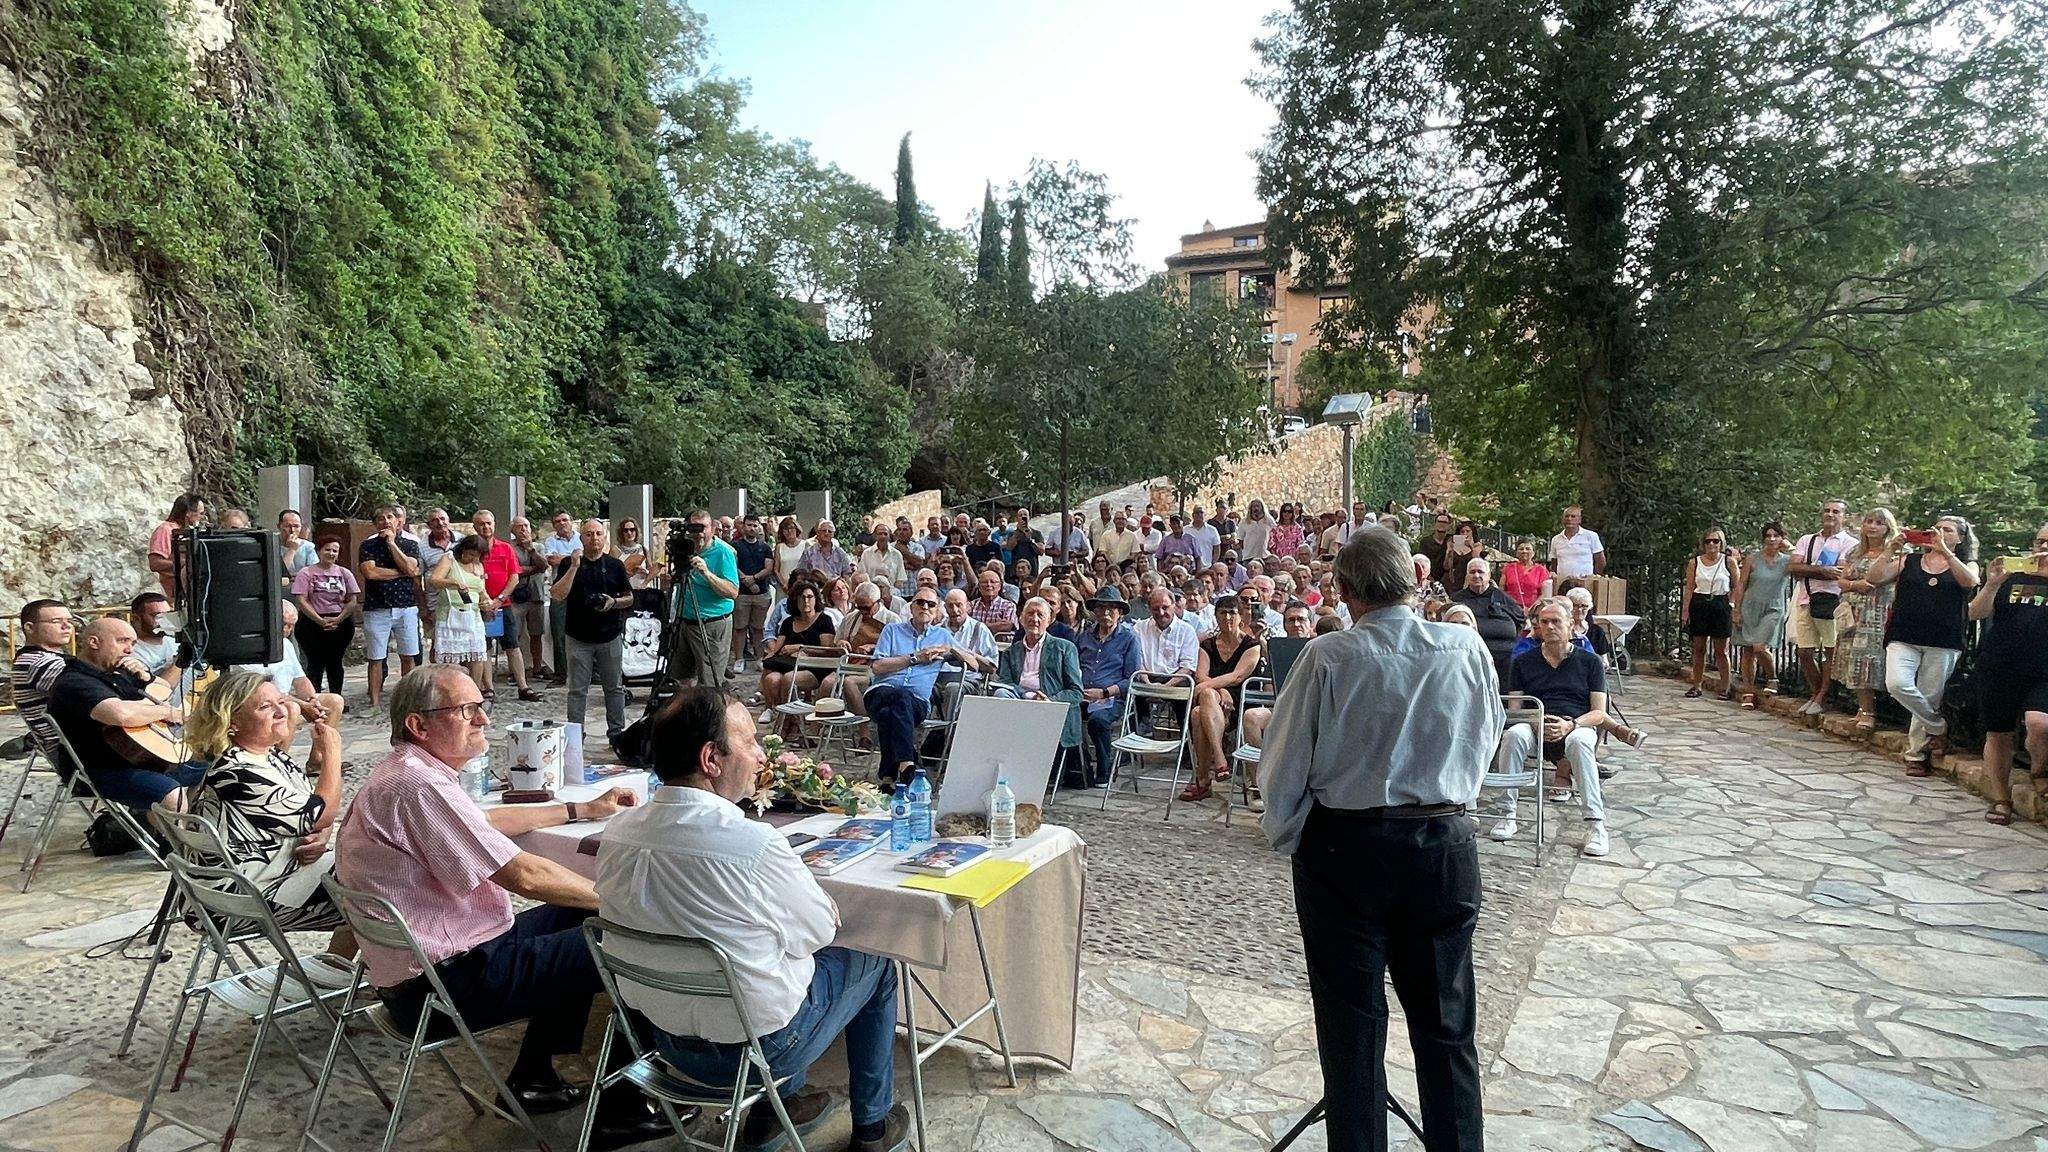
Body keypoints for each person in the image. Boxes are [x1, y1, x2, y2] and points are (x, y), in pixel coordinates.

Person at [333, 666, 661, 1147]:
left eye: (480, 705)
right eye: (465, 710)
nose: (483, 718)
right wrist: (629, 908)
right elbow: (524, 876)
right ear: (418, 726)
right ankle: (623, 1104)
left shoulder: (411, 773)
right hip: (441, 988)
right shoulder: (417, 786)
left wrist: (582, 810)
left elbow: (483, 821)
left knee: (579, 916)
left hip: (428, 972)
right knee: (637, 943)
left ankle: (534, 1077)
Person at [1259, 528, 1498, 1152]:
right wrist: (1450, 798)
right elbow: (1485, 733)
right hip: (1442, 842)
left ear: (1342, 590)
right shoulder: (1463, 647)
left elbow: (1283, 761)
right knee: (1447, 1027)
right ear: (1412, 582)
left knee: (1351, 1028)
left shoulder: (1329, 656)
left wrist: (1286, 831)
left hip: (1348, 849)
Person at [595, 686, 913, 1152]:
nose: (762, 754)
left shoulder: (618, 832)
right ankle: (873, 1126)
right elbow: (823, 931)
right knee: (876, 961)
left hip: (663, 1039)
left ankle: (776, 1110)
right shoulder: (752, 845)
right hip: (759, 1048)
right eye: (749, 742)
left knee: (760, 963)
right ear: (711, 760)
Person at [185, 669, 348, 942]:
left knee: (375, 875)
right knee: (381, 893)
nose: (280, 711)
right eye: (264, 707)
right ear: (231, 721)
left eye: (281, 702)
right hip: (237, 904)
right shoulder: (236, 772)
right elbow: (320, 812)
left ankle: (339, 970)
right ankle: (388, 979)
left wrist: (319, 837)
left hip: (268, 880)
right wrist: (331, 753)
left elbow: (312, 816)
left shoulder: (271, 758)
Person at [46, 617, 199, 813]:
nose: (130, 649)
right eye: (122, 641)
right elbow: (121, 715)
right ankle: (170, 841)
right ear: (94, 642)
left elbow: (165, 690)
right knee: (172, 795)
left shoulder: (119, 673)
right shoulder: (73, 681)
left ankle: (161, 825)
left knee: (214, 766)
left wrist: (146, 676)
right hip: (101, 769)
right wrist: (169, 713)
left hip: (141, 758)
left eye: (133, 643)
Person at [1875, 516, 1978, 774]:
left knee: (1929, 695)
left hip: (1944, 639)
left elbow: (1970, 583)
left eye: (1948, 530)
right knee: (1897, 684)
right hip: (1904, 635)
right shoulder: (1908, 560)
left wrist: (1946, 552)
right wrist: (1890, 549)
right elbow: (1874, 577)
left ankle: (1916, 755)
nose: (1939, 533)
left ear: (1960, 538)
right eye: (1937, 529)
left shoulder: (1967, 563)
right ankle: (1938, 727)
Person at [1968, 524, 2048, 825]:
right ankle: (2001, 799)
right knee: (1998, 733)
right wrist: (1991, 584)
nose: (2042, 548)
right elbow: (1975, 613)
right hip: (2000, 665)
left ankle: (2039, 770)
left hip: (2043, 668)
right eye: (2039, 541)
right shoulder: (2012, 577)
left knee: (2039, 724)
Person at [861, 591, 960, 781]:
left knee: (888, 713)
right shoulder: (892, 630)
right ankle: (907, 760)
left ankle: (888, 776)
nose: (925, 607)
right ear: (911, 607)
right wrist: (914, 658)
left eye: (930, 604)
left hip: (917, 705)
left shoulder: (943, 636)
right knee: (901, 695)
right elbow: (877, 667)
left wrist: (952, 649)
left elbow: (973, 663)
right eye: (920, 602)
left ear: (937, 610)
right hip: (880, 693)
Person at [553, 519, 634, 746]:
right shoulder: (569, 563)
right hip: (578, 636)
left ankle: (617, 733)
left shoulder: (615, 565)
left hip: (609, 634)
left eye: (598, 533)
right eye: (589, 534)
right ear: (581, 538)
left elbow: (630, 597)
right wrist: (574, 567)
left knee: (614, 687)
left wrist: (613, 602)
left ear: (605, 537)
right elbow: (558, 594)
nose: (594, 538)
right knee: (577, 690)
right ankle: (575, 735)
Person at [231, 602, 345, 745]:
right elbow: (266, 691)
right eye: (284, 624)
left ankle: (318, 758)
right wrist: (303, 705)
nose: (287, 630)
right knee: (292, 708)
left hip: (287, 699)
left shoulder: (286, 644)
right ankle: (282, 757)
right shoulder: (251, 646)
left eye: (291, 626)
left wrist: (312, 700)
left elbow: (300, 679)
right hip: (264, 702)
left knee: (334, 702)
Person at [1182, 598, 1262, 802]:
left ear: (1240, 615)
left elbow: (1238, 676)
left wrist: (1219, 689)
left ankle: (1202, 779)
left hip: (1240, 704)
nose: (1227, 618)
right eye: (1223, 613)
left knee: (1199, 711)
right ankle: (1219, 759)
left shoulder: (1251, 645)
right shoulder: (1207, 645)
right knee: (1204, 702)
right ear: (1215, 616)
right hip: (1216, 703)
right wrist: (1220, 691)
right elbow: (1200, 676)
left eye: (1232, 613)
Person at [994, 599, 1085, 768]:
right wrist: (1026, 695)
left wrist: (1049, 700)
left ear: (1049, 620)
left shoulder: (1065, 648)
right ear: (1021, 619)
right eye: (1030, 613)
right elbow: (1005, 683)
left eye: (1040, 615)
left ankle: (1020, 762)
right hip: (1019, 702)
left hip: (1049, 706)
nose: (1034, 619)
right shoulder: (1010, 652)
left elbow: (1076, 692)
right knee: (1000, 694)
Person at [1788, 499, 1859, 716]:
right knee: (1804, 651)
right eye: (1827, 510)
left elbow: (1842, 572)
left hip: (1832, 603)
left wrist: (1809, 569)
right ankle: (1817, 692)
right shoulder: (1807, 540)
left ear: (1844, 516)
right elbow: (1792, 568)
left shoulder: (1850, 543)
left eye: (1836, 511)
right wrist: (1823, 571)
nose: (1830, 514)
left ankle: (1822, 696)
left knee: (1830, 651)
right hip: (1806, 599)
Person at [1838, 508, 1900, 729]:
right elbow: (1842, 580)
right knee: (1852, 659)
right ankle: (1861, 707)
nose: (1873, 526)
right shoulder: (1856, 551)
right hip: (1853, 612)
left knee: (1868, 659)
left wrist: (1861, 584)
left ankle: (1870, 711)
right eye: (1869, 521)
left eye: (1879, 523)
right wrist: (1856, 585)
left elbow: (1880, 578)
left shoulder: (1898, 552)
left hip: (1877, 612)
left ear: (1888, 528)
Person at [469, 510, 541, 702]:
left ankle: (523, 686)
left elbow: (514, 576)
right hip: (480, 607)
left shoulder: (505, 548)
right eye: (481, 524)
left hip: (505, 604)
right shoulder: (471, 551)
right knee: (483, 648)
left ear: (494, 524)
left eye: (488, 523)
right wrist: (485, 602)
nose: (486, 527)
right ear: (475, 526)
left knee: (512, 645)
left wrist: (499, 599)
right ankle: (488, 688)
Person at [357, 505, 424, 709]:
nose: (386, 521)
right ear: (375, 524)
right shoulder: (367, 546)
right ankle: (375, 702)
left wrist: (392, 544)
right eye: (381, 519)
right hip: (377, 608)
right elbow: (370, 573)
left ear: (398, 521)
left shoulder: (410, 544)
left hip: (406, 607)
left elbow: (412, 568)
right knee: (376, 657)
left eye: (390, 517)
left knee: (408, 654)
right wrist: (401, 572)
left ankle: (408, 701)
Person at [1075, 588, 1140, 788]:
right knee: (1064, 715)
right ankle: (1080, 767)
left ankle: (1104, 768)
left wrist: (1104, 692)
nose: (1105, 613)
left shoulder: (1129, 639)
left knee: (1098, 720)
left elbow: (1132, 679)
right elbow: (1073, 666)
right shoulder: (1084, 637)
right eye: (1101, 608)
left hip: (1112, 697)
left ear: (1120, 613)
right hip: (1083, 694)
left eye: (1111, 609)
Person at [673, 510, 741, 688]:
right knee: (682, 679)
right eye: (693, 528)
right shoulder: (683, 548)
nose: (698, 533)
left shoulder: (723, 552)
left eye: (702, 528)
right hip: (685, 621)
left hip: (712, 623)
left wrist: (707, 573)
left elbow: (733, 592)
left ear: (712, 528)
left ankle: (712, 714)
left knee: (710, 683)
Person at [757, 584, 838, 725]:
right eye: (802, 598)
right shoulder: (788, 622)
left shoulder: (824, 620)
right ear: (795, 601)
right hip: (789, 664)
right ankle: (778, 713)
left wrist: (800, 648)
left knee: (789, 679)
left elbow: (827, 649)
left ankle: (788, 722)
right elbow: (778, 647)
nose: (806, 601)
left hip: (815, 667)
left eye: (809, 597)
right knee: (771, 678)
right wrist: (773, 653)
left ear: (815, 599)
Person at [288, 537, 358, 695]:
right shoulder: (306, 573)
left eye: (335, 550)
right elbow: (301, 600)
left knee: (335, 662)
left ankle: (336, 697)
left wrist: (339, 619)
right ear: (319, 551)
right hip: (311, 623)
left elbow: (353, 600)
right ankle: (315, 699)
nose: (331, 553)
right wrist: (319, 621)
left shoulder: (344, 573)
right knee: (315, 663)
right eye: (327, 549)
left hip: (340, 623)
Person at [1732, 523, 1792, 708]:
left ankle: (1772, 676)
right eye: (1768, 535)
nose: (1772, 539)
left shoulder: (1787, 561)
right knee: (1748, 650)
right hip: (1750, 606)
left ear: (1782, 538)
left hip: (1773, 608)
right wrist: (1736, 608)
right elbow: (1741, 584)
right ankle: (1748, 691)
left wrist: (1789, 547)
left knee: (1759, 647)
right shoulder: (1753, 559)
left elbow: (1806, 559)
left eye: (1776, 535)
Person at [1680, 526, 1739, 699]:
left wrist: (1732, 603)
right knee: (1698, 647)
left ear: (1721, 543)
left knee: (1722, 649)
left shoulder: (1728, 562)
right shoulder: (1695, 563)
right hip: (1700, 602)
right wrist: (1685, 610)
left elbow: (1737, 585)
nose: (1711, 544)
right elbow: (1690, 588)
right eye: (1708, 541)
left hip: (1720, 603)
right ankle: (1696, 684)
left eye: (1715, 541)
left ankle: (1725, 686)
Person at [10, 600, 73, 758]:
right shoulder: (39, 663)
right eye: (56, 621)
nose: (67, 626)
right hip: (69, 750)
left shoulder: (41, 658)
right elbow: (92, 695)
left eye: (70, 621)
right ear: (29, 627)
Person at [429, 534, 491, 690]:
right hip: (450, 614)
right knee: (451, 658)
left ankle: (474, 691)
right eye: (469, 554)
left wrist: (487, 600)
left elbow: (481, 589)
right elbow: (434, 580)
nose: (471, 558)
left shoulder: (478, 565)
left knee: (476, 654)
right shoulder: (449, 558)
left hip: (473, 615)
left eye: (475, 556)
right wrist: (453, 582)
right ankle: (450, 691)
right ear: (463, 549)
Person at [1448, 557, 1524, 683]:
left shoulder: (1503, 597)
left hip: (1506, 658)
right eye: (1472, 572)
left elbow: (1520, 619)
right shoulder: (1457, 600)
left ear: (1489, 575)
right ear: (1467, 576)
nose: (1476, 575)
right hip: (1469, 657)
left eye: (1480, 572)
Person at [541, 511, 582, 684]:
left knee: (584, 631)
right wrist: (573, 557)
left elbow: (584, 558)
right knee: (558, 633)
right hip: (559, 588)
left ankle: (588, 672)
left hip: (580, 588)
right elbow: (553, 561)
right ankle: (561, 673)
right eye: (557, 521)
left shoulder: (582, 537)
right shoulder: (550, 541)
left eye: (565, 519)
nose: (562, 523)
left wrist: (564, 558)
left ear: (571, 521)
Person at [148, 492, 206, 599]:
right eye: (200, 513)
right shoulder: (165, 530)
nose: (202, 517)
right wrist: (184, 562)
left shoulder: (189, 531)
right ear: (188, 513)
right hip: (174, 595)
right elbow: (155, 563)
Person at [941, 589, 1000, 687]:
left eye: (959, 605)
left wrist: (968, 656)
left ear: (968, 606)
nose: (955, 610)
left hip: (969, 680)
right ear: (945, 608)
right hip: (939, 678)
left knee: (953, 687)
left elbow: (992, 668)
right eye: (950, 606)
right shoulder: (938, 630)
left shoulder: (980, 629)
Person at [1548, 505, 1606, 579]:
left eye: (1573, 516)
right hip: (1562, 583)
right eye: (1566, 516)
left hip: (1586, 583)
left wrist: (1593, 578)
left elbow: (1601, 561)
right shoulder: (1556, 539)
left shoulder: (1591, 536)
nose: (1569, 519)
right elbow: (1554, 563)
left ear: (1579, 520)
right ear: (1562, 519)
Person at [1500, 539, 1551, 612]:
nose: (1524, 551)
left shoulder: (1541, 570)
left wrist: (1532, 609)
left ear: (1533, 553)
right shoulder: (1508, 568)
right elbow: (1501, 590)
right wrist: (1513, 605)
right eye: (1521, 549)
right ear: (1516, 553)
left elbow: (1544, 594)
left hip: (1534, 610)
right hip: (1511, 608)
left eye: (1528, 549)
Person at [967, 568, 1019, 640]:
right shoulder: (971, 605)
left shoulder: (1008, 605)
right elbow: (965, 625)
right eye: (984, 582)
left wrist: (977, 626)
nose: (989, 584)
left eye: (993, 582)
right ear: (979, 587)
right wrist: (996, 625)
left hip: (1001, 646)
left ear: (1000, 586)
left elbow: (1007, 625)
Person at [277, 510, 318, 586]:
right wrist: (292, 549)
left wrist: (298, 577)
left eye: (296, 526)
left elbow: (315, 573)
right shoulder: (273, 545)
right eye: (287, 526)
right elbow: (278, 574)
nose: (292, 531)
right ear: (279, 526)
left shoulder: (307, 546)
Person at [1416, 511, 1454, 584]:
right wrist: (1429, 578)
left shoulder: (1452, 540)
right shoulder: (1425, 542)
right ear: (1435, 524)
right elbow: (1422, 562)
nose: (1441, 524)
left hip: (1447, 580)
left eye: (1445, 522)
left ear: (1449, 525)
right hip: (1429, 579)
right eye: (1439, 521)